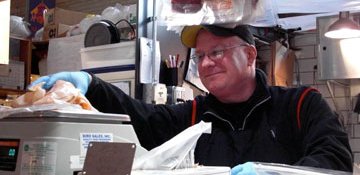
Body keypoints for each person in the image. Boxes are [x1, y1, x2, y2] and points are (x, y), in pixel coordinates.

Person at [31, 24, 353, 174]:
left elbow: (335, 162)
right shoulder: (194, 114)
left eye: (217, 52)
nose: (207, 63)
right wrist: (92, 84)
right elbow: (141, 117)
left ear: (251, 54)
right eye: (201, 56)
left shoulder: (300, 104)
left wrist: (274, 174)